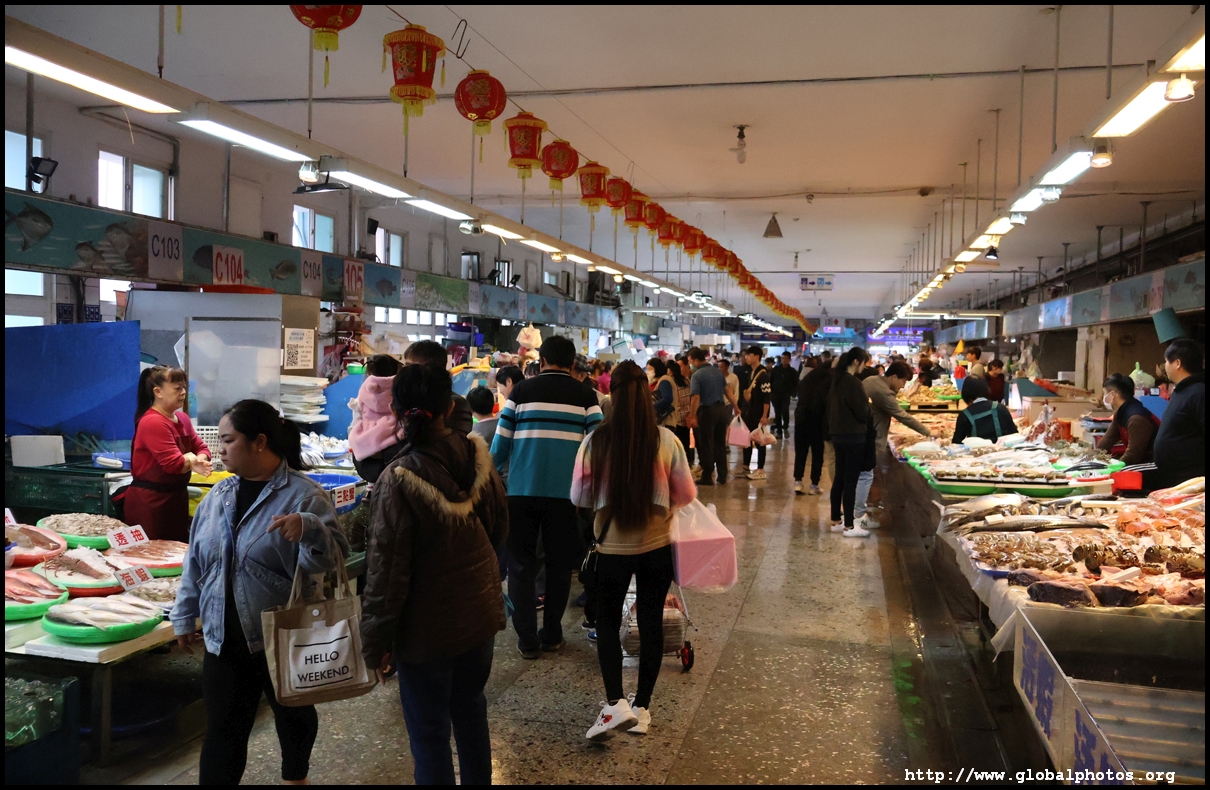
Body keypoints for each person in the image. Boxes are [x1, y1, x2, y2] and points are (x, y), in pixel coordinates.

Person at [172, 399, 347, 786]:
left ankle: (296, 777)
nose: (219, 449)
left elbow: (333, 561)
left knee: (294, 714)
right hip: (223, 638)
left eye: (228, 440)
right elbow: (195, 562)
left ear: (260, 442)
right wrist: (184, 614)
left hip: (282, 635)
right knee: (223, 731)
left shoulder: (304, 496)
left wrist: (310, 530)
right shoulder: (218, 496)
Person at [361, 365, 509, 785]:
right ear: (448, 408)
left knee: (429, 732)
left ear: (395, 411)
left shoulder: (398, 478)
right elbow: (499, 529)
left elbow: (387, 571)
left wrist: (376, 644)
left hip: (425, 630)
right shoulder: (477, 456)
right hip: (478, 614)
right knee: (471, 710)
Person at [571, 361, 696, 741]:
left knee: (607, 624)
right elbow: (686, 495)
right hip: (657, 547)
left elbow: (579, 497)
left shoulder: (595, 442)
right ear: (646, 396)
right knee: (652, 623)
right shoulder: (667, 441)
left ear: (613, 396)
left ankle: (616, 704)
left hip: (611, 549)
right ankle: (642, 708)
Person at [491, 336, 603, 659]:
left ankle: (527, 640)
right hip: (566, 496)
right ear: (572, 364)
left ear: (541, 362)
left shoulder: (520, 392)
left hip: (521, 492)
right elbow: (599, 446)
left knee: (521, 565)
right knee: (558, 565)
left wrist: (490, 476)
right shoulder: (586, 396)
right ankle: (552, 634)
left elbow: (500, 445)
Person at [126, 365, 212, 541]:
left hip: (176, 499)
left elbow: (203, 448)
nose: (183, 392)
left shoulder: (183, 418)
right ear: (158, 392)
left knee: (176, 551)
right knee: (150, 552)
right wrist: (191, 459)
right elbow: (174, 465)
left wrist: (197, 460)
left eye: (184, 387)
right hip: (151, 504)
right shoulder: (153, 422)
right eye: (177, 388)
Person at [859, 361, 933, 530]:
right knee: (871, 478)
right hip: (872, 438)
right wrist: (927, 431)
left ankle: (863, 513)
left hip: (863, 434)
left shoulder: (871, 380)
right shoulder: (883, 392)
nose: (903, 386)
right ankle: (864, 516)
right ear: (893, 377)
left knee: (866, 477)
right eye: (903, 381)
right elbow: (901, 415)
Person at [1148, 339, 1205, 490]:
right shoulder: (1182, 391)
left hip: (1189, 479)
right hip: (1170, 476)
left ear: (1177, 363)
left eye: (1167, 361)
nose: (1165, 366)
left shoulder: (1199, 392)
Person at [828, 347, 872, 537]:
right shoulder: (853, 383)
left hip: (838, 434)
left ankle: (836, 520)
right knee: (850, 481)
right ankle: (849, 526)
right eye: (863, 363)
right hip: (854, 436)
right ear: (856, 362)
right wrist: (869, 408)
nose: (864, 366)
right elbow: (862, 412)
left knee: (840, 477)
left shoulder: (836, 380)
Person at [350, 354, 406, 485]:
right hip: (394, 458)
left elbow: (354, 423)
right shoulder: (402, 395)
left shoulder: (362, 395)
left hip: (366, 460)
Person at [685, 347, 730, 485]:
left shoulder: (697, 375)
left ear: (695, 360)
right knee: (720, 443)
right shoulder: (717, 372)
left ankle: (707, 476)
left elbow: (696, 397)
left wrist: (692, 415)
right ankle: (722, 475)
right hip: (722, 409)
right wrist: (735, 406)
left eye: (690, 361)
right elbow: (727, 390)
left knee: (706, 444)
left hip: (707, 411)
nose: (690, 364)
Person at [1096, 373, 1159, 466]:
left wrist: (1114, 468)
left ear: (1113, 394)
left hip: (1150, 464)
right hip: (1137, 462)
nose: (1103, 398)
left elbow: (1133, 456)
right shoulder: (1120, 413)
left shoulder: (1136, 418)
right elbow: (1107, 440)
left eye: (1104, 394)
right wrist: (1092, 458)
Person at [793, 355, 832, 495]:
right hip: (818, 420)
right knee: (817, 453)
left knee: (801, 452)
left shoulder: (806, 378)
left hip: (801, 418)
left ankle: (798, 482)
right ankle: (814, 484)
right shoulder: (827, 380)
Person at [951, 376, 1019, 444]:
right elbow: (1015, 435)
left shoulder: (964, 415)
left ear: (965, 393)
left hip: (977, 450)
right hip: (1003, 450)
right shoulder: (1001, 408)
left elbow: (956, 444)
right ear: (986, 389)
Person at [740, 346, 772, 480]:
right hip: (749, 412)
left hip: (758, 414)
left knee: (760, 441)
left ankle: (760, 469)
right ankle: (745, 467)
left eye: (749, 355)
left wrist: (764, 416)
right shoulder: (752, 372)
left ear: (757, 356)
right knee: (746, 440)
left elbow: (767, 397)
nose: (746, 357)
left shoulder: (763, 375)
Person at [770, 352, 797, 437]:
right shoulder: (776, 370)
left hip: (786, 395)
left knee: (785, 411)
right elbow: (771, 381)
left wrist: (793, 393)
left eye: (785, 358)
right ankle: (779, 431)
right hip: (776, 394)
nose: (783, 360)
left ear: (789, 360)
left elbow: (795, 383)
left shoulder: (792, 371)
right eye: (782, 358)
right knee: (777, 413)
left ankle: (785, 427)